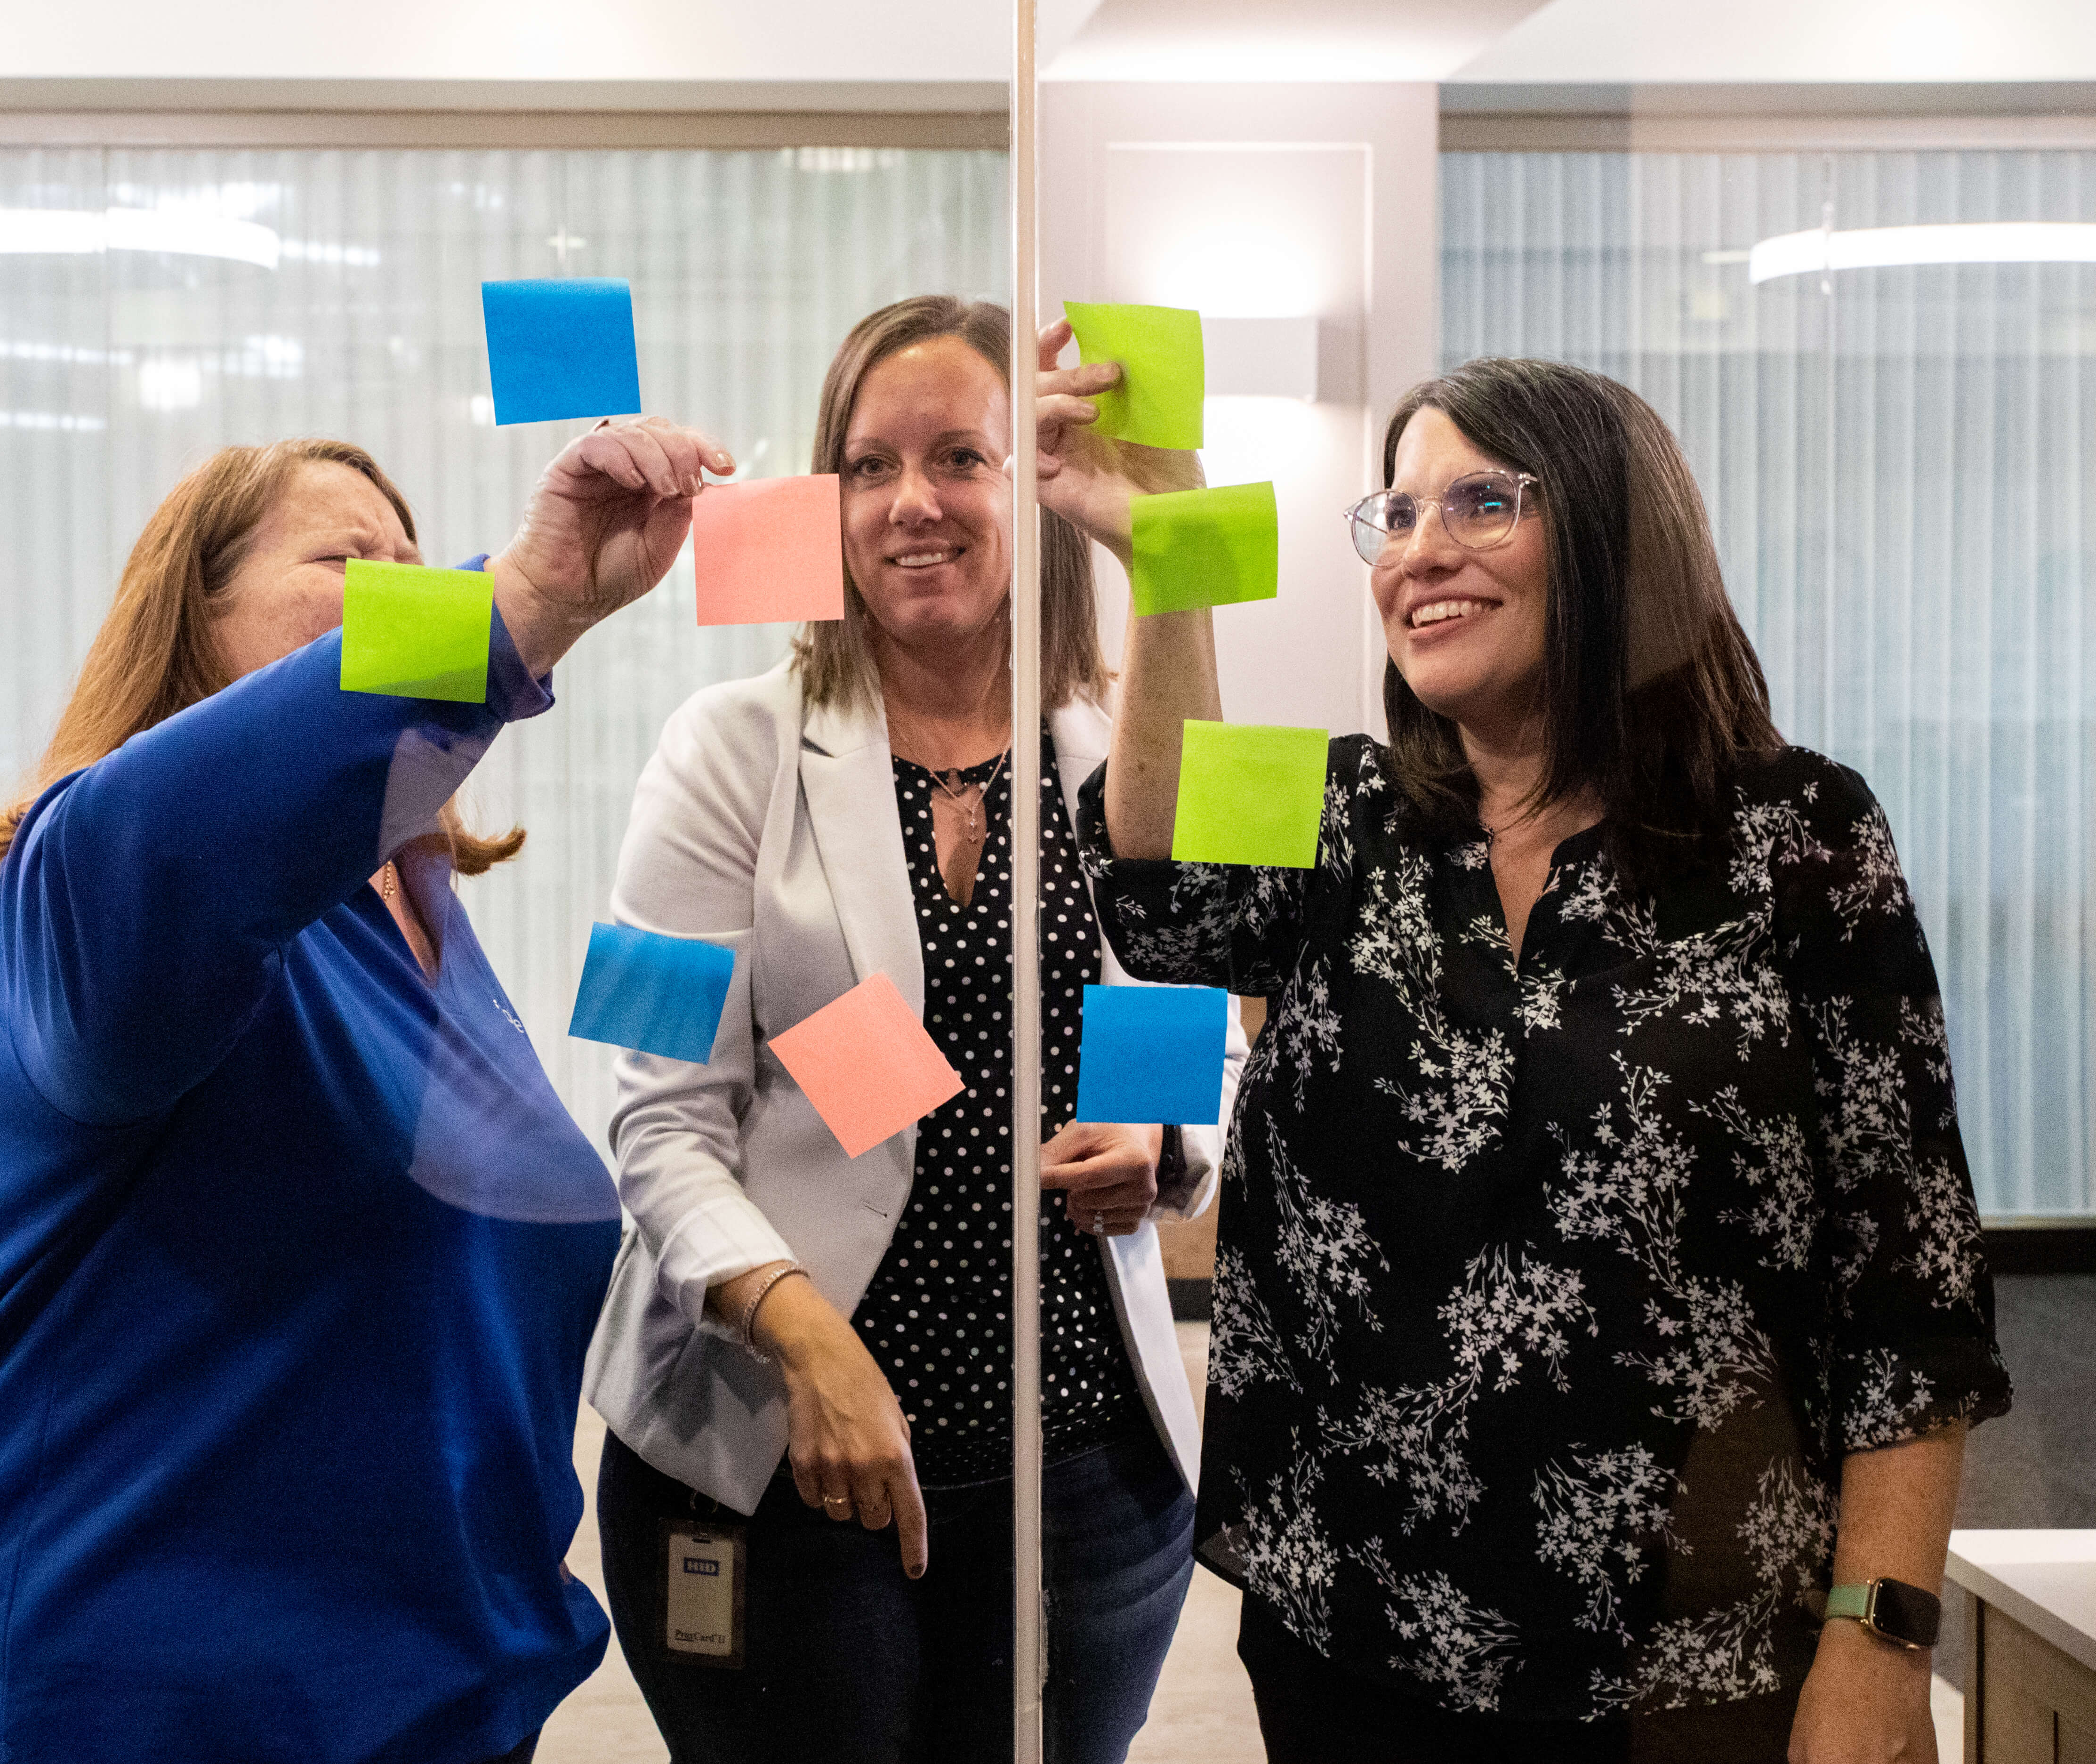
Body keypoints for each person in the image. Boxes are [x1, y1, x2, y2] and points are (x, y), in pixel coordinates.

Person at [1064, 355, 2010, 1763]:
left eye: (1483, 502)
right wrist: (1171, 547)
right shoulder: (1348, 811)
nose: (1421, 550)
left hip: (1696, 1659)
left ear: (1617, 538)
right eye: (1395, 515)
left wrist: (1880, 1638)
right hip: (1355, 1642)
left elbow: (1910, 1279)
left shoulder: (1795, 835)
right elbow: (1165, 885)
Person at [0, 420, 731, 1764]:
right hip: (82, 1687)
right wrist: (524, 598)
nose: (412, 592)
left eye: (423, 564)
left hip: (397, 1691)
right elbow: (178, 850)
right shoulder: (93, 885)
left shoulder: (427, 933)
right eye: (351, 561)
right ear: (192, 633)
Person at [583, 294, 1243, 1764]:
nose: (912, 503)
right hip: (780, 1445)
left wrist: (1162, 1126)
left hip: (1082, 1469)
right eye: (870, 465)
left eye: (960, 456)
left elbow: (1208, 1002)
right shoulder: (722, 750)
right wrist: (804, 1333)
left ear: (1035, 482)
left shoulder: (1118, 739)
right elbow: (651, 1110)